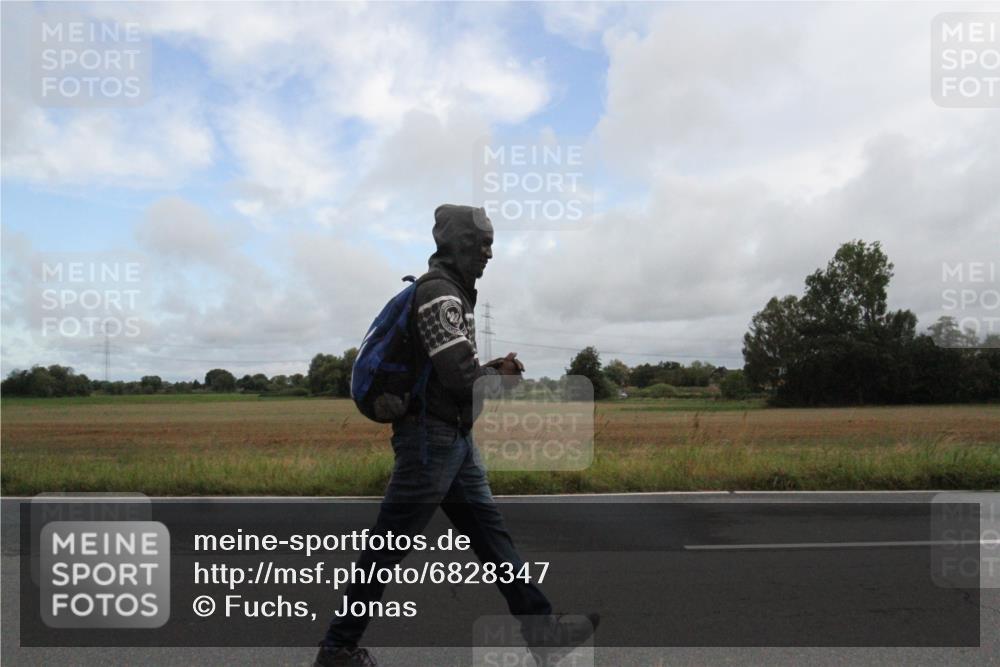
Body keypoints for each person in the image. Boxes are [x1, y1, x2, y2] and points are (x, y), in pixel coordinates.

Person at [315, 205, 597, 667]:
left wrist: (489, 369)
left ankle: (544, 632)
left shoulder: (452, 294)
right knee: (387, 547)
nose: (489, 253)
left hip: (453, 440)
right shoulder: (440, 295)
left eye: (491, 243)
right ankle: (337, 649)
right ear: (458, 244)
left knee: (491, 538)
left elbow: (454, 371)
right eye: (482, 243)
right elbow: (460, 379)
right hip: (432, 441)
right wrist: (498, 379)